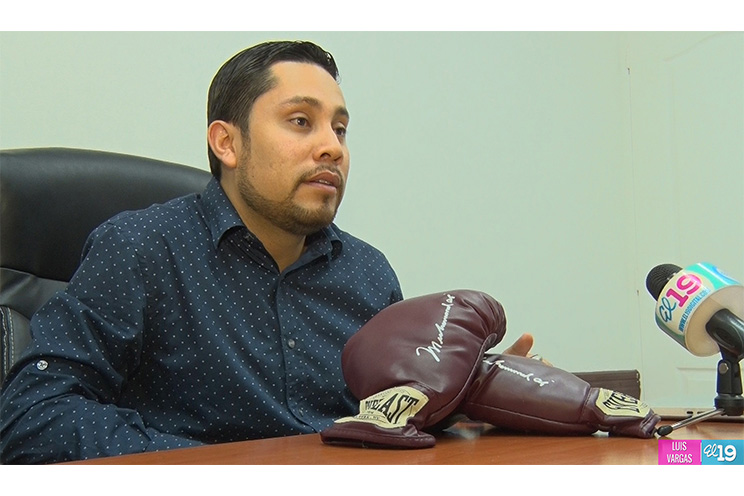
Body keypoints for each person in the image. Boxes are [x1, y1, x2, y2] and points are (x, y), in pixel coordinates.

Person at [0, 40, 536, 464]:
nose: (332, 147)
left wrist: (467, 401)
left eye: (340, 129)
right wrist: (217, 468)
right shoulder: (140, 249)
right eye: (301, 121)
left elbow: (384, 418)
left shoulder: (368, 273)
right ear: (227, 143)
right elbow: (33, 416)